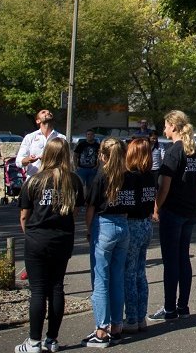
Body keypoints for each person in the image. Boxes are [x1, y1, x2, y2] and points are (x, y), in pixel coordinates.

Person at [16, 138, 82, 353]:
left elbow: (24, 215)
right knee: (56, 287)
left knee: (37, 291)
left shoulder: (35, 181)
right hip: (62, 238)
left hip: (37, 239)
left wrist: (30, 234)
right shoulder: (73, 181)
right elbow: (75, 212)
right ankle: (52, 339)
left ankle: (34, 342)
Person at [149, 111, 196, 323]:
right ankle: (183, 306)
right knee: (183, 259)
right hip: (190, 210)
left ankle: (170, 308)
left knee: (171, 261)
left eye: (166, 126)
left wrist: (156, 207)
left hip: (174, 211)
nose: (164, 130)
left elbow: (164, 185)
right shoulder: (193, 150)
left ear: (173, 126)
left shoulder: (174, 151)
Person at [84, 138, 131, 347]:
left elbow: (91, 207)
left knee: (101, 279)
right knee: (117, 277)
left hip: (104, 224)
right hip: (123, 224)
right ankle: (116, 325)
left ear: (102, 155)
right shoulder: (127, 175)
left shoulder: (100, 176)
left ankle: (101, 330)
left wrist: (88, 229)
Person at [121, 137, 158, 334]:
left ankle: (132, 318)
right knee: (140, 273)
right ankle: (141, 316)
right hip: (146, 224)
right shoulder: (150, 175)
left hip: (133, 224)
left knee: (129, 272)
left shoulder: (130, 176)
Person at [18, 110, 64, 179]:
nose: (48, 113)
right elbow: (19, 161)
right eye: (43, 112)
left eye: (49, 112)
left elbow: (66, 160)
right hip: (34, 179)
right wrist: (29, 159)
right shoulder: (30, 137)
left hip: (54, 179)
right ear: (38, 121)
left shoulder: (61, 138)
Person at [74, 130, 101, 196]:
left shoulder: (97, 145)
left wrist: (97, 166)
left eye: (91, 134)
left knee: (91, 186)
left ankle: (88, 201)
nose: (90, 136)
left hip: (92, 169)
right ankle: (80, 200)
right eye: (88, 134)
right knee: (79, 186)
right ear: (86, 136)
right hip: (81, 169)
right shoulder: (81, 144)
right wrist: (76, 166)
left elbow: (100, 157)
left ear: (94, 136)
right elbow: (75, 156)